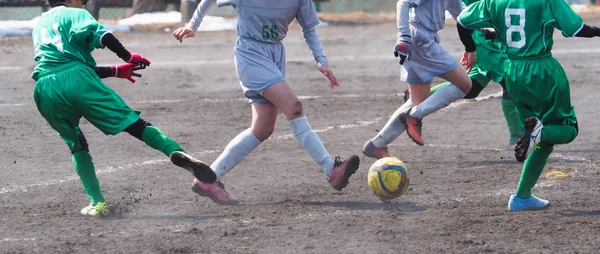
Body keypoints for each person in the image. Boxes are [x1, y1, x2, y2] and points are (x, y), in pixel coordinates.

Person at [32, 0, 216, 216]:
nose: (83, 4)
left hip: (44, 87)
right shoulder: (73, 13)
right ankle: (174, 151)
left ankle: (97, 203)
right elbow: (104, 37)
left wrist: (117, 71)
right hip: (78, 80)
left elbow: (67, 62)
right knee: (135, 125)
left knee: (76, 143)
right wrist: (128, 57)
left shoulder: (39, 24)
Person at [172, 0, 360, 205]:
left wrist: (321, 61)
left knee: (262, 128)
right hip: (250, 54)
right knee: (294, 107)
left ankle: (208, 180)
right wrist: (193, 25)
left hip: (275, 54)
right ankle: (331, 169)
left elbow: (309, 29)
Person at [458, 0, 600, 211]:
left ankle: (521, 197)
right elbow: (575, 28)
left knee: (544, 133)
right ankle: (537, 134)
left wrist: (471, 49)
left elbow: (462, 22)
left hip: (513, 71)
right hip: (542, 71)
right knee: (567, 128)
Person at [362, 0, 476, 159]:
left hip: (419, 39)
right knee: (465, 85)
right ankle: (414, 115)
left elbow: (461, 14)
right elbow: (403, 3)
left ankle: (376, 144)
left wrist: (484, 28)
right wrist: (404, 36)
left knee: (417, 100)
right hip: (420, 40)